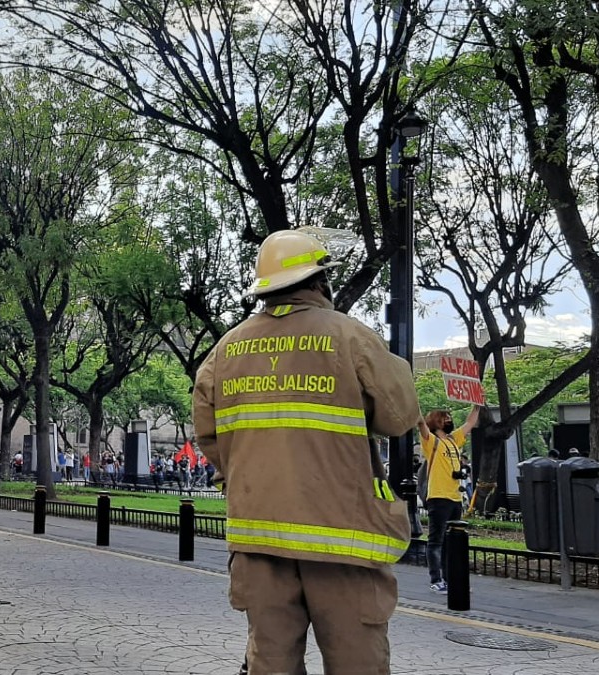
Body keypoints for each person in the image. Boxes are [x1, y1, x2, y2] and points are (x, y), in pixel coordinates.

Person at [192, 229, 420, 675]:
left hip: (258, 541)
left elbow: (210, 438)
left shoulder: (224, 351)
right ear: (321, 282)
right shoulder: (350, 337)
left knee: (270, 662)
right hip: (341, 541)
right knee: (358, 663)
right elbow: (399, 416)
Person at [417, 405, 480, 595]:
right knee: (436, 540)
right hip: (438, 497)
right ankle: (436, 580)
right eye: (445, 418)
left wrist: (477, 404)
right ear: (436, 421)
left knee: (451, 541)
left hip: (455, 498)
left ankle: (450, 578)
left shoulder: (453, 441)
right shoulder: (432, 442)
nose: (449, 420)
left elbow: (470, 423)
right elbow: (419, 422)